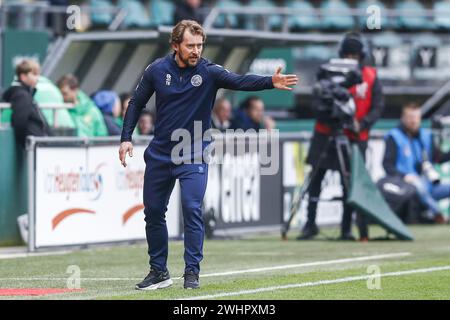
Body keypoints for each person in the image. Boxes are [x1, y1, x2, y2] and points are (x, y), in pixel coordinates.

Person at [118, 20, 298, 290]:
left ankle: (192, 272)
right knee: (154, 212)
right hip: (160, 152)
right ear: (175, 45)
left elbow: (240, 81)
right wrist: (125, 139)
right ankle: (159, 271)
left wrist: (270, 82)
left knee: (192, 208)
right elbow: (136, 103)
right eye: (190, 45)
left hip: (193, 150)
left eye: (200, 45)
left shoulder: (209, 71)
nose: (196, 51)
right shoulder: (156, 70)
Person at [298, 32, 385, 242]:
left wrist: (361, 123)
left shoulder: (370, 76)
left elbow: (377, 106)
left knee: (350, 184)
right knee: (316, 179)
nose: (350, 59)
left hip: (356, 136)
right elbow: (318, 101)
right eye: (347, 54)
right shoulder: (328, 71)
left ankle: (347, 227)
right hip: (326, 132)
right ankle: (310, 224)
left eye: (354, 55)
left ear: (361, 56)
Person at [383, 103, 450, 224]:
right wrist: (404, 176)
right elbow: (387, 165)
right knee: (418, 185)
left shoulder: (425, 136)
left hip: (428, 184)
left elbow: (438, 158)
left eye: (416, 118)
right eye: (410, 117)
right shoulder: (394, 136)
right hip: (405, 184)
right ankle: (437, 214)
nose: (413, 121)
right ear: (403, 118)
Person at [2, 60, 52, 148]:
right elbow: (20, 122)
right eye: (34, 74)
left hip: (37, 144)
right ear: (23, 76)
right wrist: (26, 145)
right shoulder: (21, 95)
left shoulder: (25, 94)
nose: (37, 78)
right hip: (34, 146)